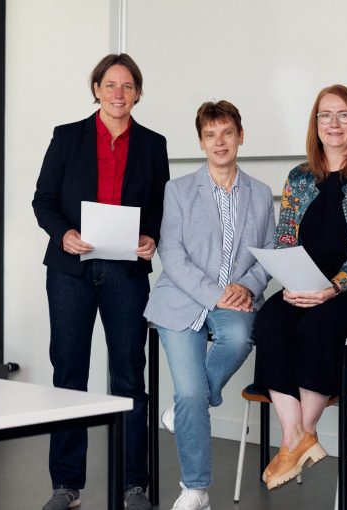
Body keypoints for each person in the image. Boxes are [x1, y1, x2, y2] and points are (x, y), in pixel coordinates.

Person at [32, 53, 169, 510]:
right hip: (72, 272)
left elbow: (159, 210)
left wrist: (151, 237)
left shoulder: (153, 144)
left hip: (127, 273)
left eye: (127, 86)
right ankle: (66, 485)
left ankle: (134, 485)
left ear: (137, 93)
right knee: (68, 373)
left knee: (129, 377)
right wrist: (63, 233)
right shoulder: (67, 137)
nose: (118, 94)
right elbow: (43, 200)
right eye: (110, 85)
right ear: (96, 89)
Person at [252, 84, 347, 490]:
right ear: (315, 125)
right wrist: (294, 281)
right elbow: (285, 239)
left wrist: (331, 289)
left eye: (343, 114)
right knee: (269, 319)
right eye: (325, 115)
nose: (334, 124)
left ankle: (301, 433)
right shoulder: (299, 178)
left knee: (319, 323)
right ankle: (295, 437)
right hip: (309, 287)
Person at [143, 100, 275, 510]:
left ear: (240, 136)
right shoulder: (178, 190)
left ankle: (188, 407)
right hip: (183, 300)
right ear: (201, 142)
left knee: (238, 340)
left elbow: (268, 250)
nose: (220, 142)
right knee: (189, 391)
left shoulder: (261, 193)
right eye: (210, 135)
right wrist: (214, 293)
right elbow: (172, 253)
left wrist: (248, 287)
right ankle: (195, 490)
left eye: (227, 133)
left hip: (236, 301)